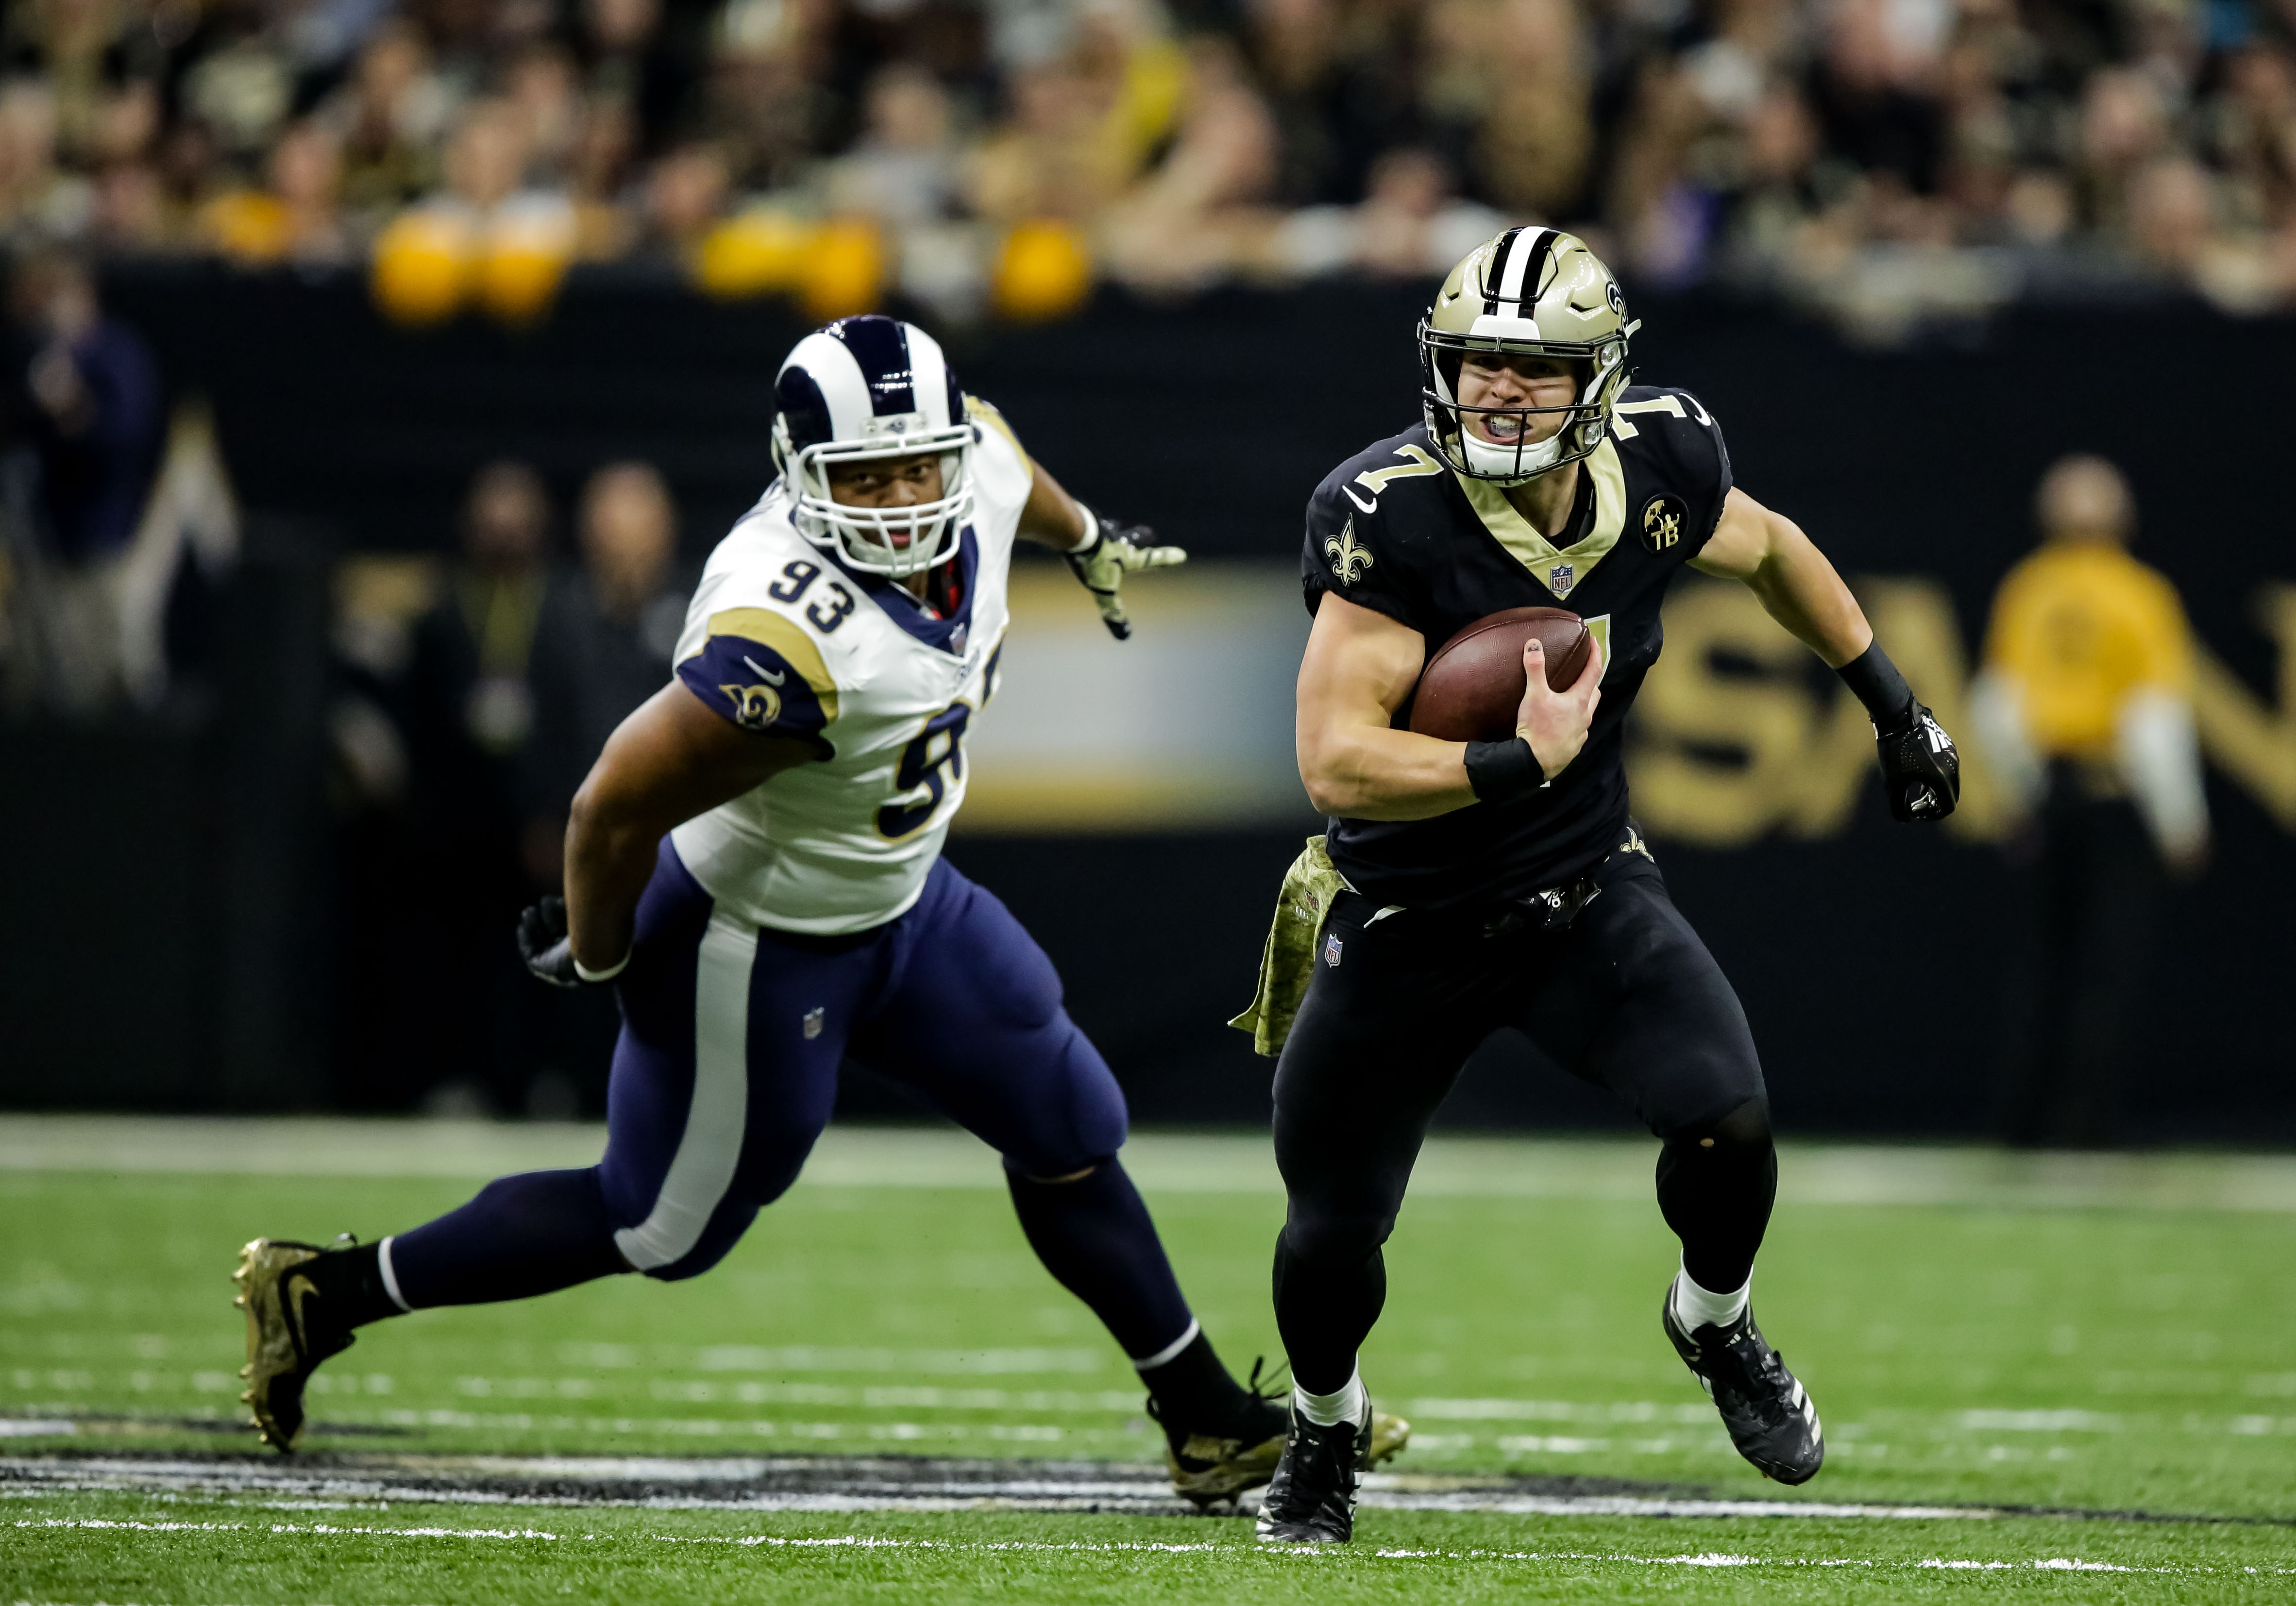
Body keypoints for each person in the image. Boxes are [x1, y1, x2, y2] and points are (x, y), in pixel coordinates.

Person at [233, 315, 1404, 1506]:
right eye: (866, 478)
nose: (902, 501)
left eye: (916, 468)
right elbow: (608, 808)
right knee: (662, 1228)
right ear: (801, 475)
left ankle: (1202, 1415)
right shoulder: (785, 634)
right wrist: (600, 950)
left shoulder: (973, 465)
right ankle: (327, 1292)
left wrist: (1086, 533)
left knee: (1066, 1116)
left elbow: (999, 451)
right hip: (757, 937)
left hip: (903, 899)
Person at [1243, 228, 1960, 1544]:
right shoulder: (1388, 512)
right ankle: (1327, 1427)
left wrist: (1894, 705)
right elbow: (1335, 761)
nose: (1499, 390)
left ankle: (1715, 1321)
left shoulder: (1665, 459)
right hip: (1404, 919)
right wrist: (1513, 760)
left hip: (1577, 891)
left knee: (1730, 1124)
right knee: (1331, 1232)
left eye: (1535, 368)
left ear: (1602, 380)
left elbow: (1771, 549)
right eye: (1478, 363)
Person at [1970, 455, 2208, 1149]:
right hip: (2112, 796)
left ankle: (2021, 1123)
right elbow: (2152, 720)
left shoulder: (2031, 588)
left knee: (2041, 964)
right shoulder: (2139, 594)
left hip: (2051, 795)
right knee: (2106, 967)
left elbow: (1999, 709)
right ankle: (2085, 1124)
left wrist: (2020, 795)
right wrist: (2180, 821)